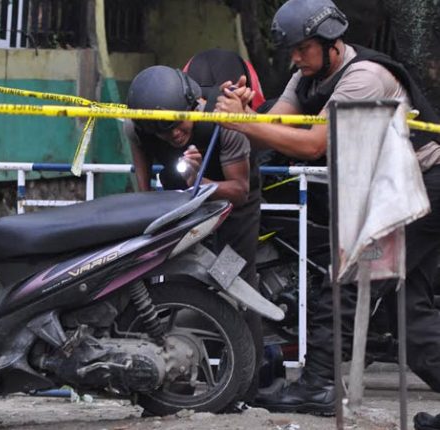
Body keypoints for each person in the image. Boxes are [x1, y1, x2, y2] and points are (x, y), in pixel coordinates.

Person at [214, 0, 440, 419]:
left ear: (331, 42)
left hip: (423, 189)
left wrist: (242, 123)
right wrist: (246, 113)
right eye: (293, 51)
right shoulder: (306, 76)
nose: (296, 58)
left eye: (303, 48)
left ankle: (319, 385)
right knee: (409, 314)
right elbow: (277, 125)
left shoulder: (366, 78)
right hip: (395, 191)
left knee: (346, 280)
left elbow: (316, 144)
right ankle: (320, 384)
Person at [124, 53, 263, 406]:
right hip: (183, 206)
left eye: (180, 124)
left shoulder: (223, 119)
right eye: (163, 128)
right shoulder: (137, 126)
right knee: (178, 287)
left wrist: (199, 183)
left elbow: (239, 189)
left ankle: (247, 390)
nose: (174, 134)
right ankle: (177, 388)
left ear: (193, 105)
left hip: (234, 205)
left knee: (238, 286)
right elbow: (142, 189)